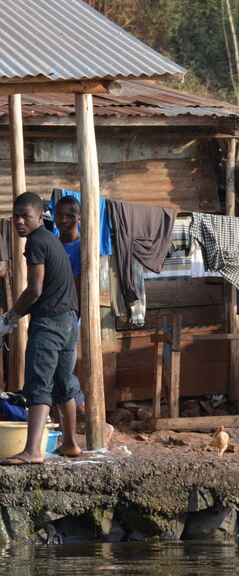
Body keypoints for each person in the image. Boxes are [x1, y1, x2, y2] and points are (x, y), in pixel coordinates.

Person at [0, 192, 80, 464]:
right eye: (16, 216)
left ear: (39, 217)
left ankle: (33, 451)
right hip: (69, 321)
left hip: (50, 322)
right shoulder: (51, 238)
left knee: (38, 382)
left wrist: (11, 315)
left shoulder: (36, 241)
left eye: (26, 216)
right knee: (63, 383)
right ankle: (70, 443)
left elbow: (35, 290)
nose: (20, 221)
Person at [53, 195, 114, 445]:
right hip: (53, 317)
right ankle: (68, 430)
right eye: (60, 215)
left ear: (79, 218)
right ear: (54, 217)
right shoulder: (54, 244)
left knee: (63, 374)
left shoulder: (81, 248)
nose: (65, 220)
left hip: (70, 319)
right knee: (58, 374)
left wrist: (71, 319)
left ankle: (97, 423)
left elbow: (78, 288)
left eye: (70, 216)